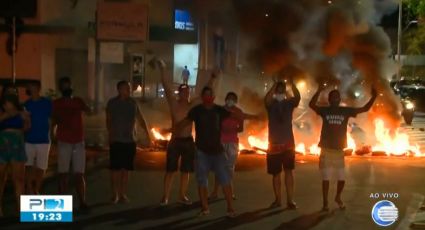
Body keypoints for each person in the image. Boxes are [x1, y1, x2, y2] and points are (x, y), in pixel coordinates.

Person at [175, 86, 247, 218]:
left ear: (214, 96)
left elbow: (237, 115)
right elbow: (185, 122)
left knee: (225, 180)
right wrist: (172, 130)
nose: (208, 97)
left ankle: (230, 208)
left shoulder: (219, 110)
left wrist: (252, 116)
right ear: (203, 97)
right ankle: (205, 207)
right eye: (206, 94)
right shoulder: (196, 110)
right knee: (202, 181)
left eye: (211, 94)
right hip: (202, 152)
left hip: (218, 152)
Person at [158, 59, 217, 206]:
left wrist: (213, 78)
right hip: (175, 141)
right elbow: (166, 86)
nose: (186, 93)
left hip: (188, 141)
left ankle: (182, 195)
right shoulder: (174, 103)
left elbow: (205, 93)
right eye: (183, 91)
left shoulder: (193, 105)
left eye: (188, 91)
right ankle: (165, 196)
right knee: (170, 170)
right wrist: (163, 69)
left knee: (186, 171)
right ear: (179, 93)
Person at [309, 84, 377, 211]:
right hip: (326, 149)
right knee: (326, 179)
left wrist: (374, 97)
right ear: (329, 100)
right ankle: (325, 203)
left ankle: (338, 197)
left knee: (342, 179)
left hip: (339, 150)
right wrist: (318, 90)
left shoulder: (345, 111)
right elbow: (311, 105)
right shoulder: (325, 110)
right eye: (332, 97)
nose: (335, 99)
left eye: (337, 97)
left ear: (339, 100)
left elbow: (364, 109)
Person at [106, 80, 151, 204]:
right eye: (127, 88)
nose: (129, 90)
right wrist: (110, 134)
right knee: (115, 169)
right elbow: (108, 120)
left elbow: (141, 119)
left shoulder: (133, 103)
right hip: (116, 139)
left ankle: (123, 194)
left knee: (126, 169)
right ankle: (115, 194)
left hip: (130, 140)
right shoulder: (112, 103)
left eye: (129, 88)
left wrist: (148, 135)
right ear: (119, 89)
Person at [52, 77, 90, 211]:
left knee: (79, 174)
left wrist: (87, 106)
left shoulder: (78, 101)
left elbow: (89, 110)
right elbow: (54, 120)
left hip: (78, 141)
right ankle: (61, 205)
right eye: (64, 86)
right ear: (61, 88)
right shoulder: (57, 103)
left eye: (68, 85)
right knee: (63, 174)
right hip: (64, 141)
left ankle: (82, 202)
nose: (67, 88)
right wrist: (53, 136)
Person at [210, 92, 257, 200]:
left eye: (232, 99)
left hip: (232, 143)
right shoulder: (219, 110)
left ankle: (229, 192)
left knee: (230, 168)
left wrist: (232, 129)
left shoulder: (238, 112)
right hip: (220, 141)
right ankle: (215, 191)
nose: (230, 100)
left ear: (235, 101)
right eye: (228, 98)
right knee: (219, 167)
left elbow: (241, 128)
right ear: (225, 99)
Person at [264, 78, 300, 209]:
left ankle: (290, 200)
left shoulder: (289, 103)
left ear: (285, 92)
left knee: (289, 172)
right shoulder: (271, 104)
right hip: (274, 144)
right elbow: (266, 99)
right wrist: (274, 84)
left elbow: (298, 97)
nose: (279, 93)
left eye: (282, 91)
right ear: (274, 92)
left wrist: (293, 84)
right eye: (277, 91)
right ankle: (278, 200)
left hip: (288, 144)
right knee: (276, 174)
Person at [0, 95, 30, 217]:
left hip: (17, 144)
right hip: (2, 144)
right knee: (1, 178)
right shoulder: (2, 113)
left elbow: (27, 128)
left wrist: (26, 119)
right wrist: (5, 116)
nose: (7, 105)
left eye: (9, 103)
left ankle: (20, 209)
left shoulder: (22, 112)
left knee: (19, 178)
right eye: (5, 103)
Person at [24, 80, 53, 195]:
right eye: (29, 86)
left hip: (43, 139)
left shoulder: (47, 103)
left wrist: (52, 133)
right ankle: (30, 188)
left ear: (38, 88)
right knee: (29, 165)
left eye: (32, 86)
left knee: (42, 166)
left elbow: (51, 119)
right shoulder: (27, 104)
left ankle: (36, 188)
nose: (30, 88)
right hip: (29, 139)